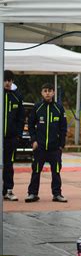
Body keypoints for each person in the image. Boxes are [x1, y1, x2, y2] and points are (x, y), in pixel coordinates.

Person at [25, 83, 67, 203]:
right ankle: (32, 193)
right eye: (45, 91)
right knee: (36, 170)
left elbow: (63, 128)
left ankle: (57, 194)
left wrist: (61, 144)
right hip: (40, 147)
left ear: (53, 93)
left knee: (56, 171)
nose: (47, 93)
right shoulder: (37, 107)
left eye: (50, 91)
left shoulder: (59, 108)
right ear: (41, 93)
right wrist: (33, 140)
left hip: (55, 147)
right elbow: (31, 125)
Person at [3, 70, 24, 201]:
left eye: (9, 80)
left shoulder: (17, 96)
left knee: (8, 164)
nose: (7, 83)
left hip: (10, 138)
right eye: (5, 80)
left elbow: (21, 118)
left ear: (12, 81)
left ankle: (8, 190)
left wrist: (18, 135)